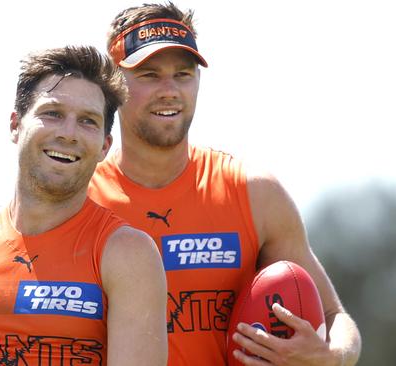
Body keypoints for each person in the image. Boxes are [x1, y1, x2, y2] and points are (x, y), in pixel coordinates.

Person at [88, 2, 362, 365]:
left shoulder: (253, 192)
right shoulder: (81, 200)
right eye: (149, 75)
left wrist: (331, 357)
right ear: (113, 85)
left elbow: (335, 317)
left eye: (183, 74)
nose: (169, 90)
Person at [0, 45, 168, 366]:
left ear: (104, 145)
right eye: (53, 113)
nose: (68, 133)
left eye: (87, 121)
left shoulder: (128, 253)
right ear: (15, 125)